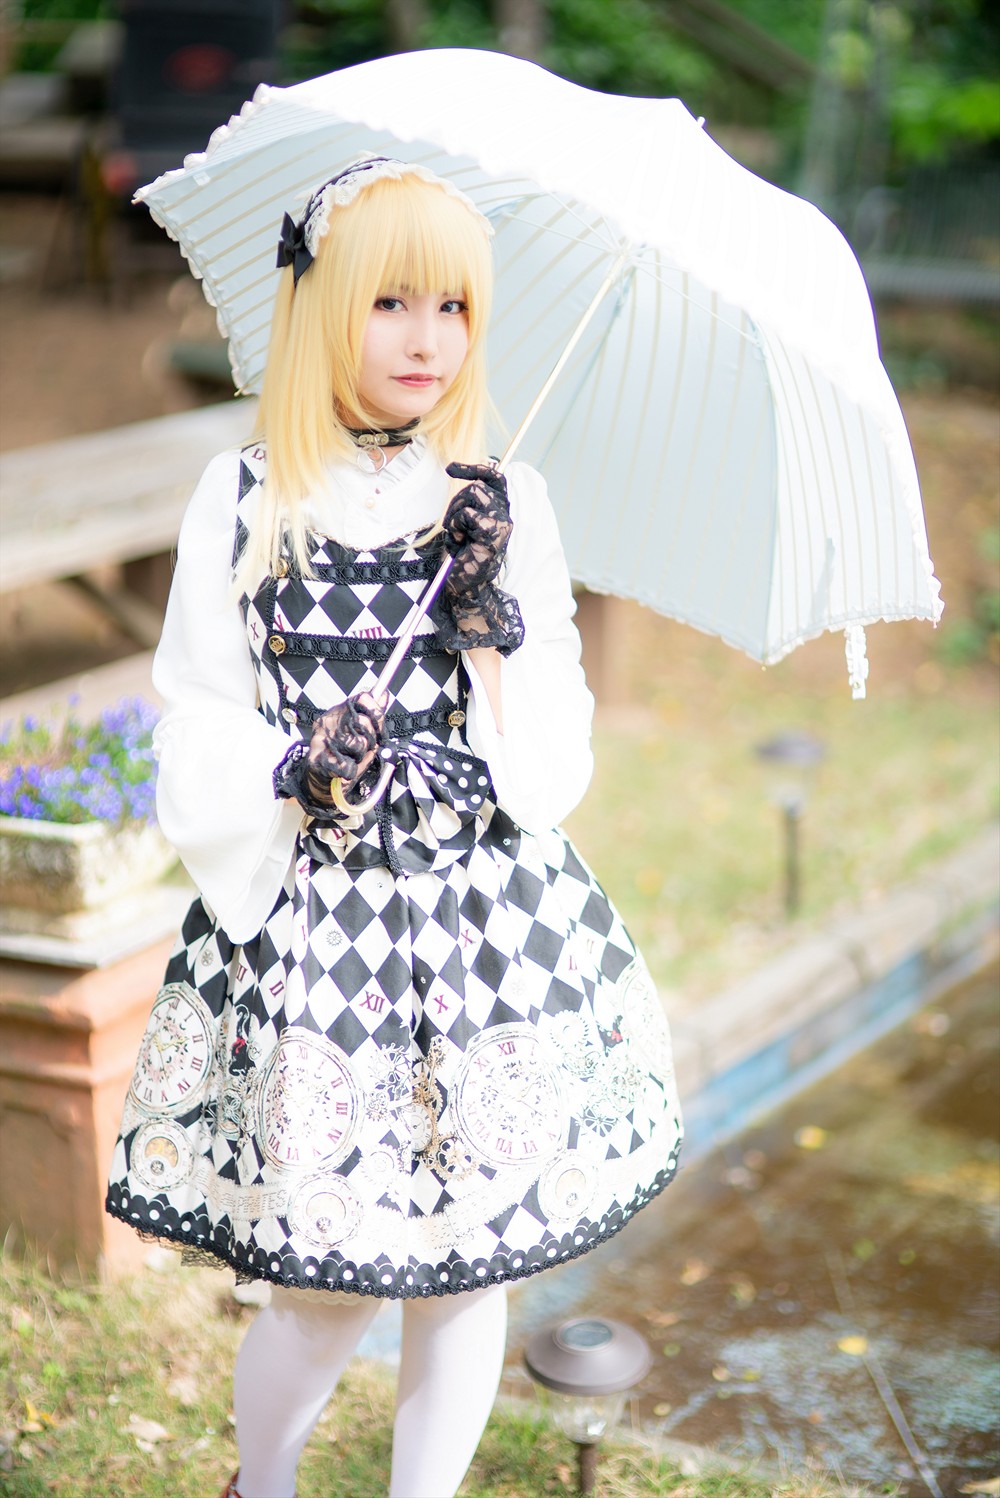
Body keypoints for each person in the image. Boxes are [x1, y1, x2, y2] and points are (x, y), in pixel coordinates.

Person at [106, 155, 683, 1498]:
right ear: (323, 307)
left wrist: (490, 625)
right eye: (391, 303)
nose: (429, 339)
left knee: (466, 1272)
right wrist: (289, 761)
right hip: (320, 929)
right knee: (325, 1285)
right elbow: (192, 711)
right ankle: (262, 1483)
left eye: (456, 307)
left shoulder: (503, 501)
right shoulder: (243, 495)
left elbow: (553, 758)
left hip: (482, 925)